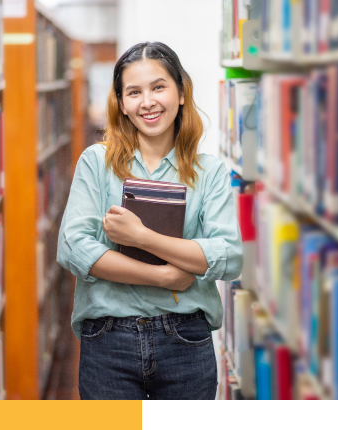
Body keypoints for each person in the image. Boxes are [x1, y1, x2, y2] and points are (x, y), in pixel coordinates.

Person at [57, 41, 243, 400]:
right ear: (122, 104)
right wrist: (164, 276)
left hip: (186, 341)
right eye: (134, 92)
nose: (148, 102)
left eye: (159, 87)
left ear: (181, 92)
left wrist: (142, 237)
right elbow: (73, 248)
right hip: (108, 341)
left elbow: (227, 255)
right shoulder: (96, 163)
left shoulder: (210, 172)